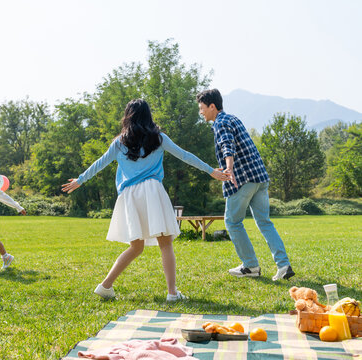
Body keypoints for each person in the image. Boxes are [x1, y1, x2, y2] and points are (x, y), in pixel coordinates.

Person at [62, 99, 228, 301]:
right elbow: (185, 156)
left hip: (129, 196)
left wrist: (80, 180)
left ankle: (105, 286)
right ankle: (172, 293)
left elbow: (99, 163)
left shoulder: (120, 142)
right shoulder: (158, 138)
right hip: (152, 191)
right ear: (148, 115)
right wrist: (211, 171)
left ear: (128, 116)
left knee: (136, 246)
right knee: (165, 244)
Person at [196, 88, 295, 281]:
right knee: (265, 222)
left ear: (212, 106)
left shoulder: (220, 123)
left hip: (242, 179)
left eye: (202, 108)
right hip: (260, 178)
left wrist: (229, 168)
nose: (201, 112)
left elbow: (227, 145)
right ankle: (284, 265)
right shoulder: (233, 118)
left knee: (232, 222)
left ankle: (250, 266)